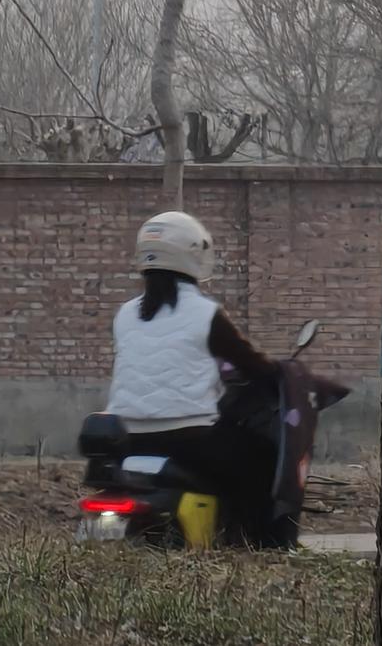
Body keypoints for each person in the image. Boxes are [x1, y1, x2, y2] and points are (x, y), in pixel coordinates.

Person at [105, 210, 281, 545]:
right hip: (191, 439)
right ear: (194, 254)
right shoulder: (206, 313)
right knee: (262, 459)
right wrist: (279, 374)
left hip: (128, 438)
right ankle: (256, 544)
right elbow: (251, 363)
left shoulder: (124, 314)